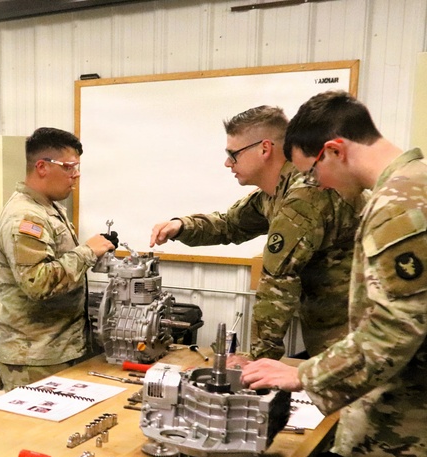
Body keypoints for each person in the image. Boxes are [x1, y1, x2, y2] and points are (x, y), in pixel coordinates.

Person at [241, 91, 427, 457]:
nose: (317, 187)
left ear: (334, 150)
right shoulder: (417, 183)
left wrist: (305, 377)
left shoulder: (397, 203)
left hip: (397, 447)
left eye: (313, 172)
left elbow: (395, 331)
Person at [149, 105, 363, 362]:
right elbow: (230, 225)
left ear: (264, 148)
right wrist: (182, 226)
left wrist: (259, 361)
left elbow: (277, 281)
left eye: (233, 154)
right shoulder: (275, 194)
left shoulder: (305, 194)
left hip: (359, 336)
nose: (227, 163)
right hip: (339, 334)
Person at [0, 127, 115, 390]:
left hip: (59, 348)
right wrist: (87, 252)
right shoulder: (26, 217)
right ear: (42, 167)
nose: (76, 174)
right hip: (36, 357)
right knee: (36, 430)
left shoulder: (49, 208)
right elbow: (37, 283)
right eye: (70, 166)